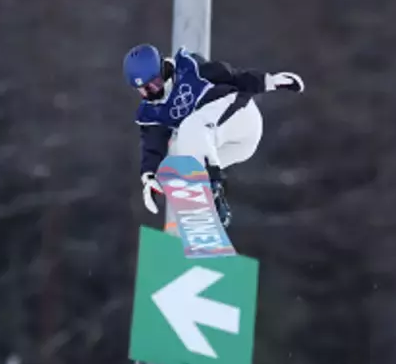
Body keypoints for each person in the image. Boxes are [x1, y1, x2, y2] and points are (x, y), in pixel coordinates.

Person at [123, 43, 304, 227]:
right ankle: (204, 214)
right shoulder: (151, 111)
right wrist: (150, 177)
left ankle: (212, 189)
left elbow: (234, 76)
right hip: (228, 145)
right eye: (143, 90)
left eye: (154, 84)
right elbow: (152, 146)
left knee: (189, 127)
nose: (151, 92)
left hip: (239, 116)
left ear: (163, 69)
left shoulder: (190, 68)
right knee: (173, 161)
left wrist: (270, 81)